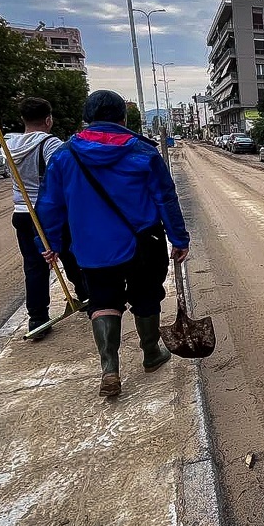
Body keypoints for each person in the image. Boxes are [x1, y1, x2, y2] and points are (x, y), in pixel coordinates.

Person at [34, 90, 190, 397]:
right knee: (146, 296)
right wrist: (178, 237)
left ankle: (110, 369)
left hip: (92, 248)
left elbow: (50, 206)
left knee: (103, 302)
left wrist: (49, 243)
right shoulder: (143, 152)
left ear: (87, 119)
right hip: (143, 242)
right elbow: (165, 198)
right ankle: (151, 354)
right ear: (124, 118)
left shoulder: (65, 156)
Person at [5, 97, 88, 340]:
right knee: (71, 256)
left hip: (21, 212)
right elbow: (62, 180)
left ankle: (37, 318)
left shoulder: (7, 144)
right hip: (49, 212)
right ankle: (86, 296)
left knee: (34, 267)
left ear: (23, 120)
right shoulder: (51, 145)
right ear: (49, 119)